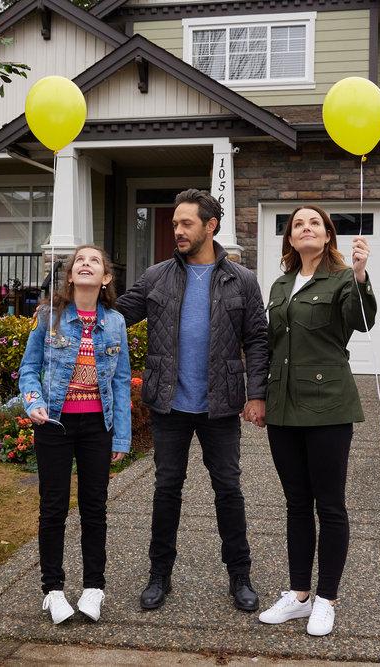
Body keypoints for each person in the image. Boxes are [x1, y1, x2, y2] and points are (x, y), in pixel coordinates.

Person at [115, 188, 269, 612]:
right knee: (166, 489)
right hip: (169, 405)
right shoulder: (157, 275)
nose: (178, 231)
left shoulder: (242, 280)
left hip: (220, 405)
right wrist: (67, 303)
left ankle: (240, 576)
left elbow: (257, 340)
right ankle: (159, 574)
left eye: (186, 224)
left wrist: (257, 394)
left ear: (210, 226)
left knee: (228, 490)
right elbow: (117, 314)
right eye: (175, 224)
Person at [257, 205, 377, 637]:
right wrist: (258, 397)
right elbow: (269, 345)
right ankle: (299, 595)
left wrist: (361, 276)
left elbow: (362, 322)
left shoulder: (344, 279)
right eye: (297, 225)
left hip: (327, 405)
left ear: (328, 236)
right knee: (295, 502)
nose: (306, 229)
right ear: (290, 239)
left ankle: (327, 598)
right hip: (283, 407)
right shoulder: (280, 285)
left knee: (329, 504)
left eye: (315, 223)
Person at [18, 245, 132, 624]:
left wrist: (120, 437)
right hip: (54, 426)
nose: (85, 264)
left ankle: (93, 588)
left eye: (94, 261)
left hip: (96, 428)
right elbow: (29, 368)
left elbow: (119, 381)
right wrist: (33, 401)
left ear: (106, 278)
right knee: (53, 508)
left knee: (94, 508)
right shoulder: (49, 317)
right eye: (79, 261)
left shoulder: (115, 323)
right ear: (69, 276)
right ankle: (52, 590)